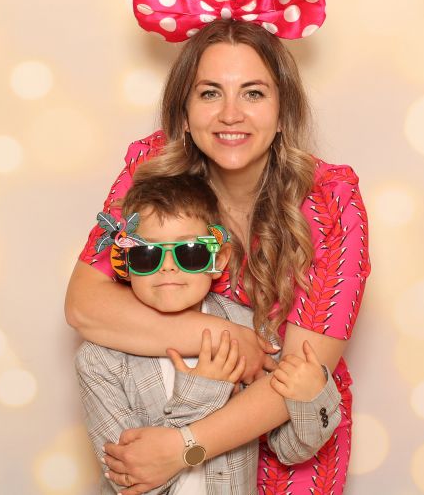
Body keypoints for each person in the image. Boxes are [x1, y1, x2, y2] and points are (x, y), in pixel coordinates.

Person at [65, 0, 371, 494]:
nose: (231, 114)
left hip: (288, 442)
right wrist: (228, 335)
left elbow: (304, 370)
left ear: (283, 111)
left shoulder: (332, 201)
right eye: (210, 93)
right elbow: (85, 305)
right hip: (160, 420)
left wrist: (184, 449)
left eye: (253, 93)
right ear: (184, 112)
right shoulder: (148, 169)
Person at [75, 173, 341, 494]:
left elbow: (290, 450)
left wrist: (312, 397)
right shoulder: (98, 359)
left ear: (218, 259)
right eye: (148, 254)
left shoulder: (251, 335)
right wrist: (202, 393)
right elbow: (131, 481)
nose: (168, 266)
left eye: (190, 252)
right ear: (125, 263)